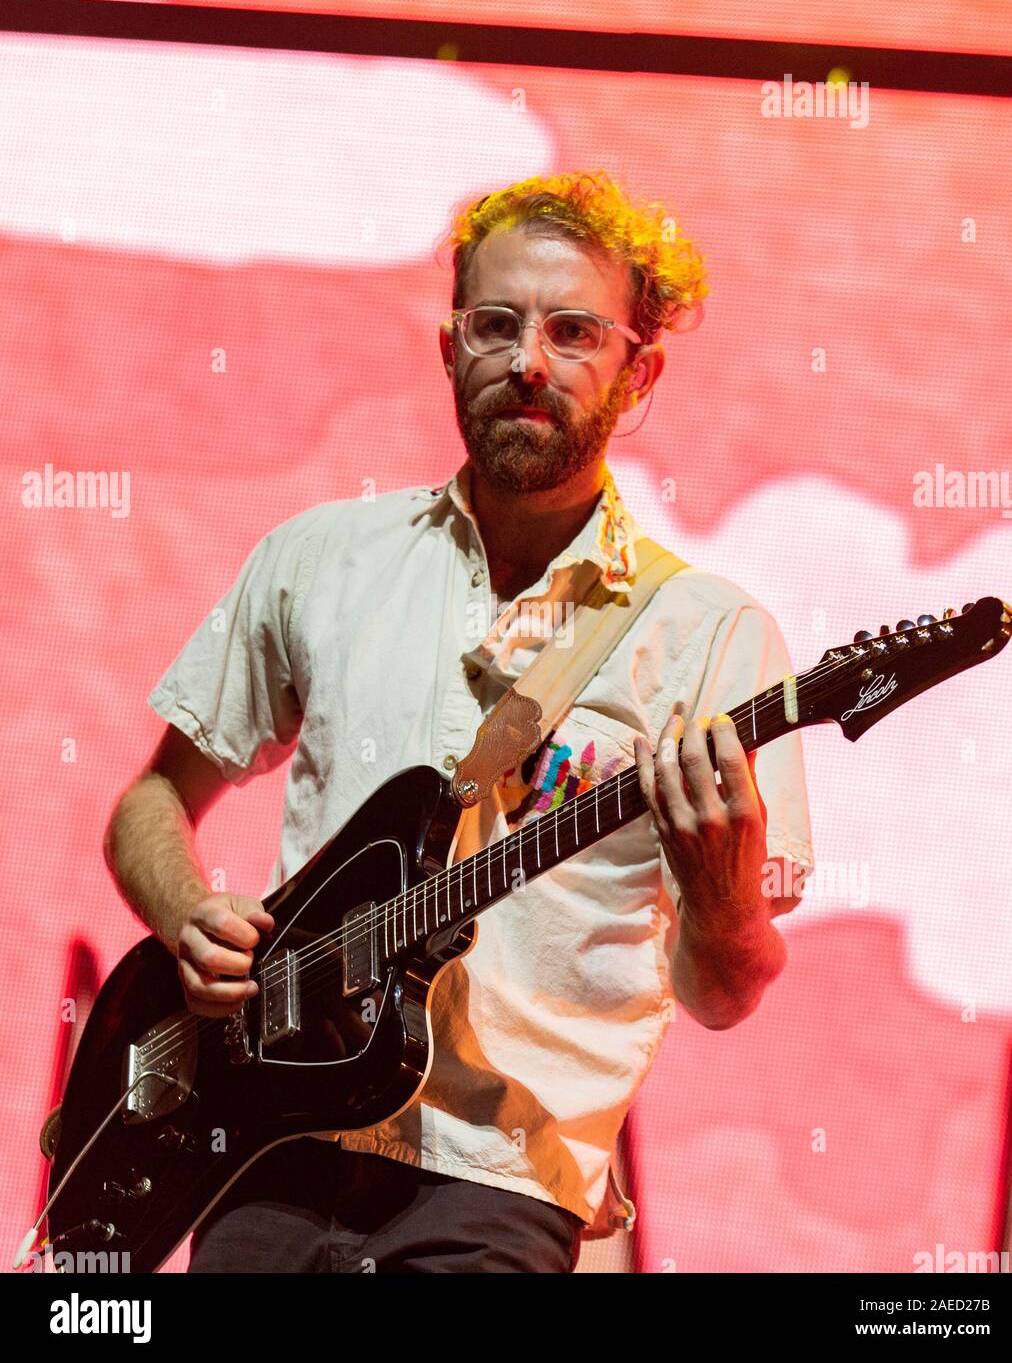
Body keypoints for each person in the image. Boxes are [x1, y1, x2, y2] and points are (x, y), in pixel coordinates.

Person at [103, 169, 814, 1273]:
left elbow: (722, 992)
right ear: (449, 350)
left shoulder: (711, 640)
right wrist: (185, 908)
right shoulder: (319, 558)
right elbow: (151, 800)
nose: (527, 361)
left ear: (640, 373)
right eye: (496, 324)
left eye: (573, 330)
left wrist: (724, 893)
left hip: (502, 1182)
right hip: (264, 1147)